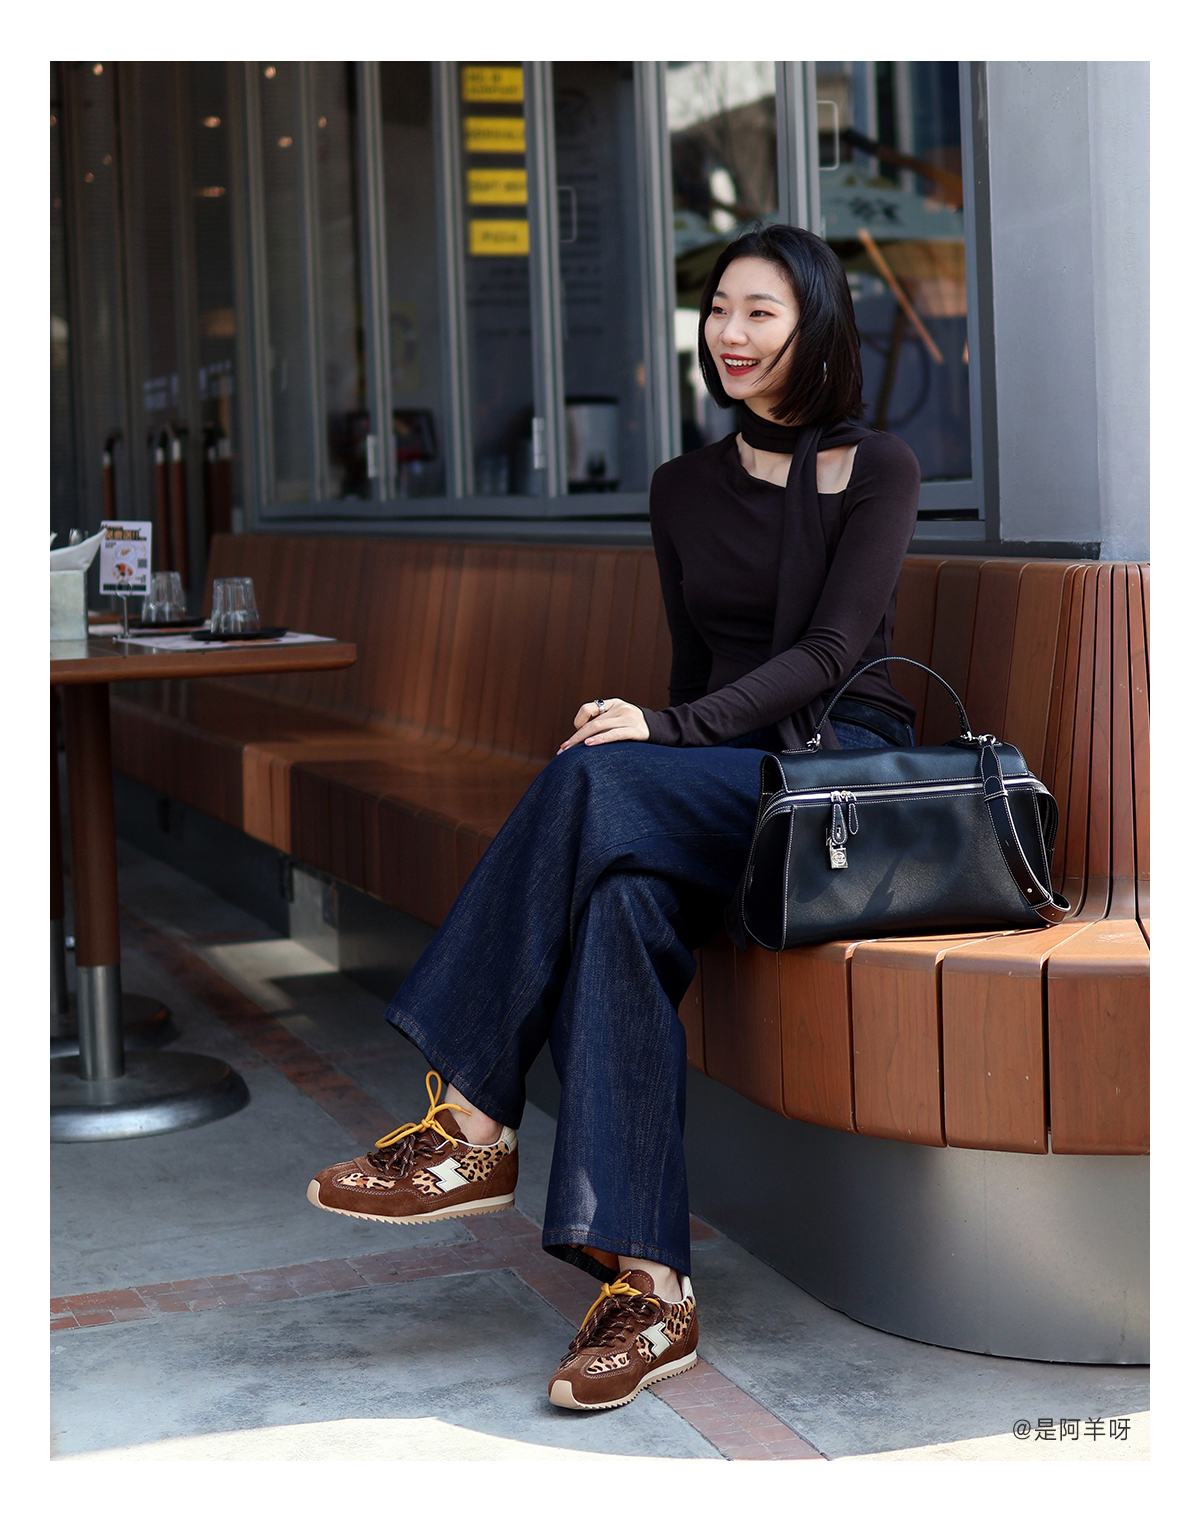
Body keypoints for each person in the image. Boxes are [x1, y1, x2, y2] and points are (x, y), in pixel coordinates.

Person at [307, 223, 920, 1412]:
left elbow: (833, 651)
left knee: (596, 772)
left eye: (761, 313)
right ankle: (653, 1288)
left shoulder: (875, 466)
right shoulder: (681, 488)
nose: (729, 333)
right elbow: (696, 664)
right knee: (620, 900)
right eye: (719, 309)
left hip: (835, 777)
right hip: (722, 777)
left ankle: (473, 1118)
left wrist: (665, 735)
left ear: (817, 328)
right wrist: (672, 742)